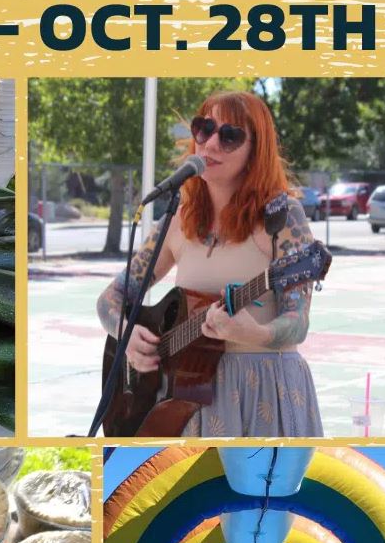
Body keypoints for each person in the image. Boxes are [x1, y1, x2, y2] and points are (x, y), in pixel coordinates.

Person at [96, 90, 323, 436]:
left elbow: (298, 321)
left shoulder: (281, 219)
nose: (211, 143)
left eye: (230, 136)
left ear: (255, 151)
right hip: (180, 401)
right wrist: (125, 337)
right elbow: (109, 300)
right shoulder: (177, 221)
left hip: (260, 388)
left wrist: (257, 333)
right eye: (204, 128)